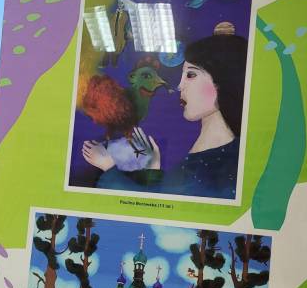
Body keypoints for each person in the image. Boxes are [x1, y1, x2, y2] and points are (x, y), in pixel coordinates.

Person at [82, 34, 247, 199]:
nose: (179, 86)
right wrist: (154, 165)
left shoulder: (224, 163)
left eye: (191, 75)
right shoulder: (216, 152)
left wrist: (108, 167)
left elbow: (159, 207)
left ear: (223, 81)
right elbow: (168, 198)